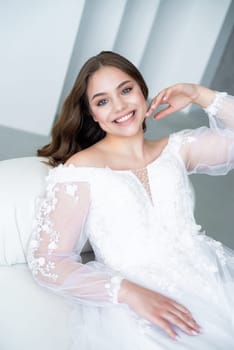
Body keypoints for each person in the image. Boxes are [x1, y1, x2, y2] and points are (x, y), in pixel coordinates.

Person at [27, 51, 234, 349]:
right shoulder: (80, 171)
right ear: (92, 114)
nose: (120, 106)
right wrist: (130, 293)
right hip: (136, 301)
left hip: (210, 282)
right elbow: (49, 262)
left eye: (126, 90)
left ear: (142, 90)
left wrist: (198, 93)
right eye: (102, 101)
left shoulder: (177, 149)